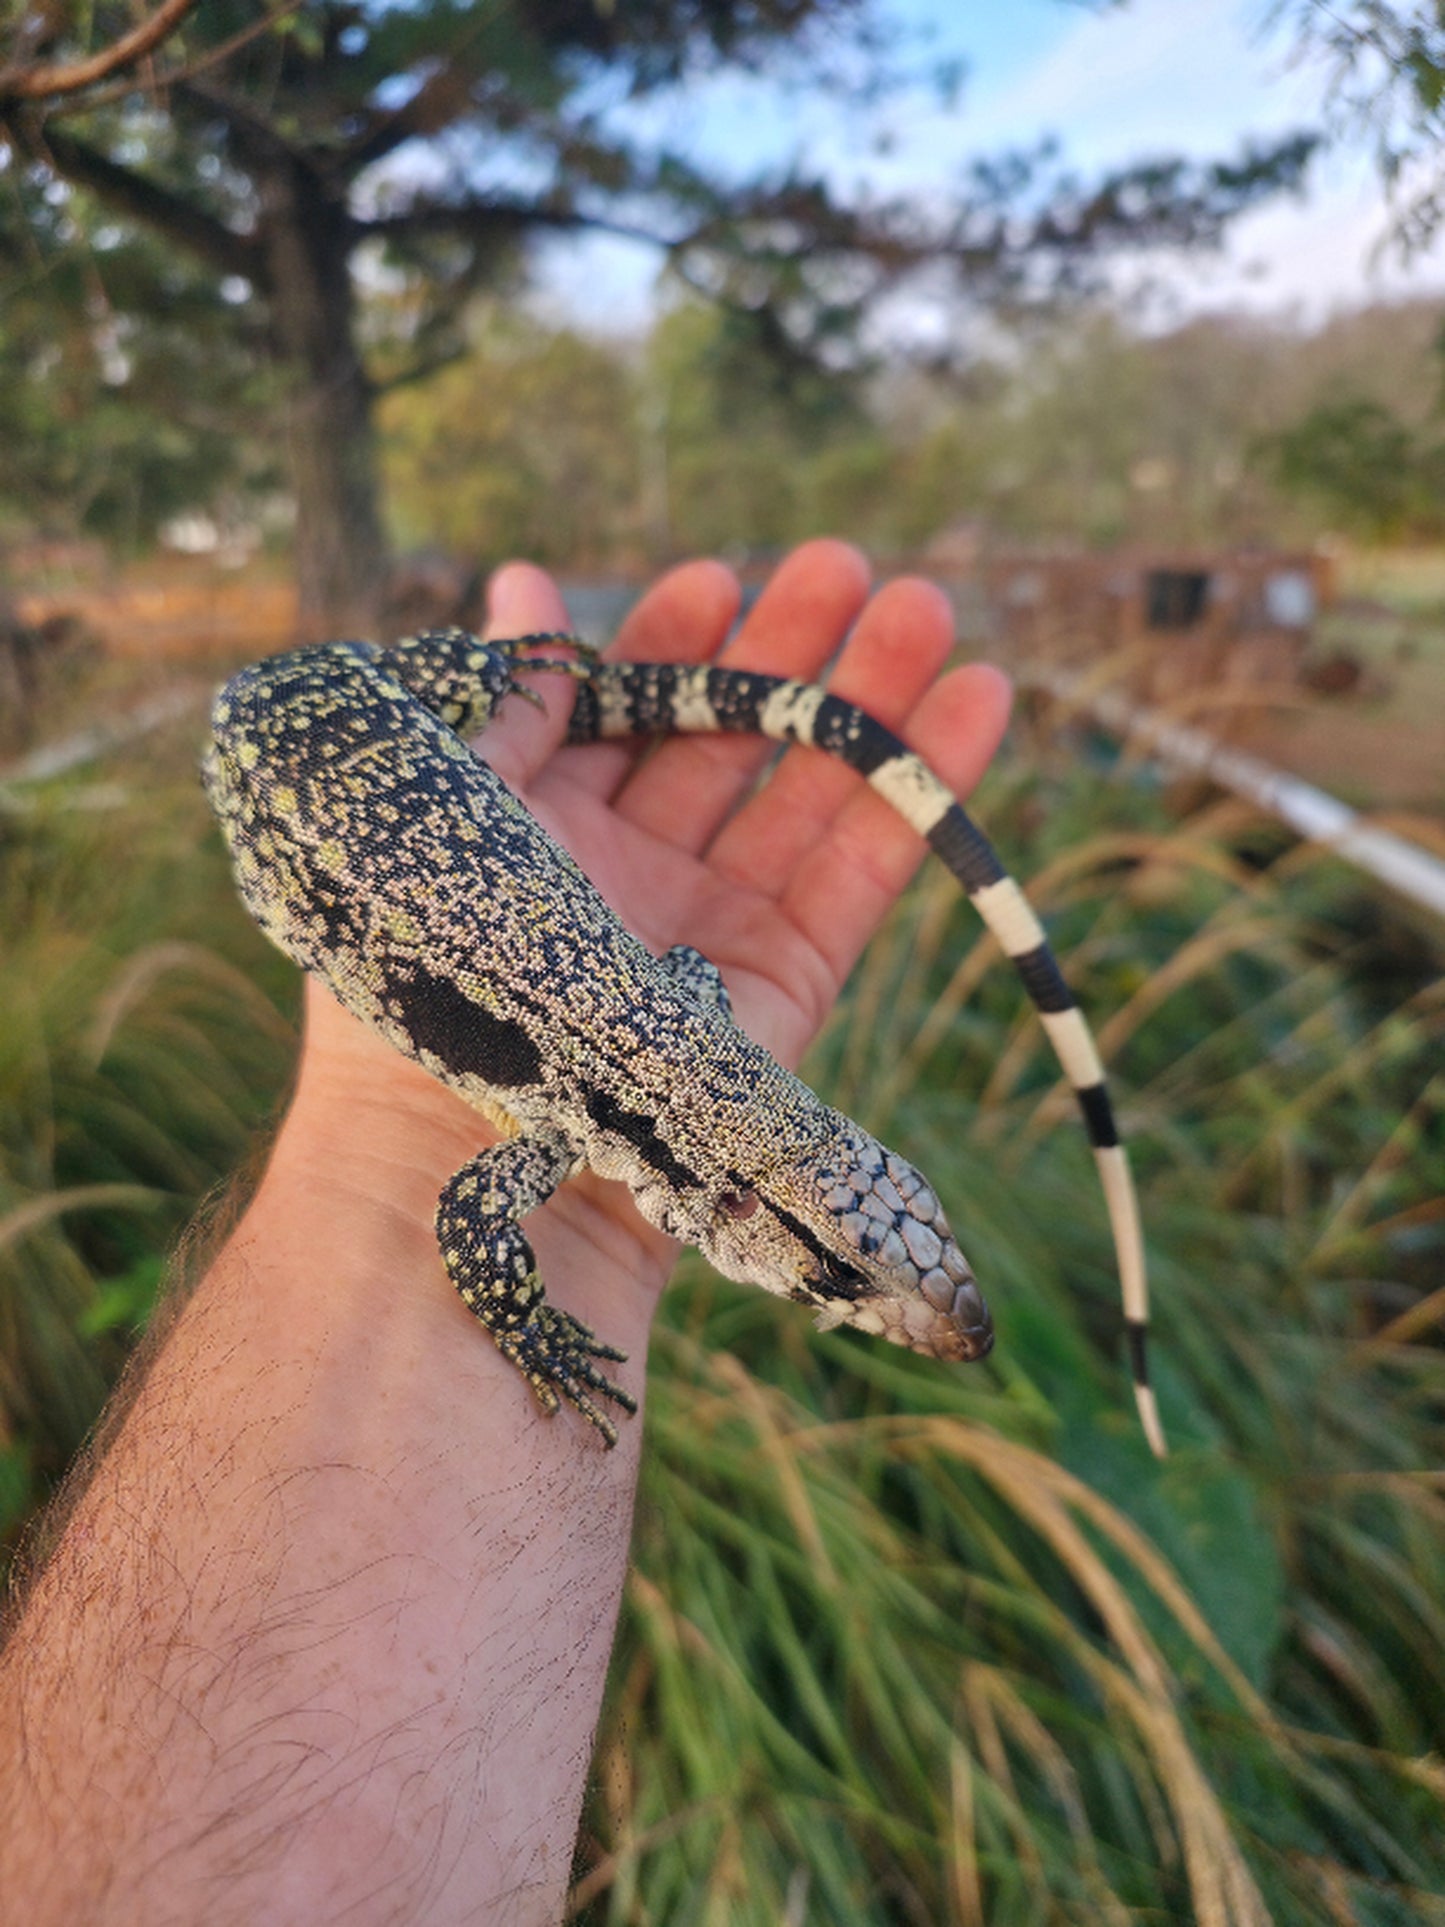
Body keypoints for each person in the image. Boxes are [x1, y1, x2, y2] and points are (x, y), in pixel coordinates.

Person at [0, 541, 1010, 1924]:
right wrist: (536, 1333)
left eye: (870, 1263)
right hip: (299, 725)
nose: (887, 1306)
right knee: (509, 680)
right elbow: (465, 1213)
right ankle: (492, 674)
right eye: (844, 1274)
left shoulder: (670, 1047)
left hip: (369, 740)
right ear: (736, 1207)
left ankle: (537, 684)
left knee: (608, 693)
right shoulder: (575, 1117)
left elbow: (685, 983)